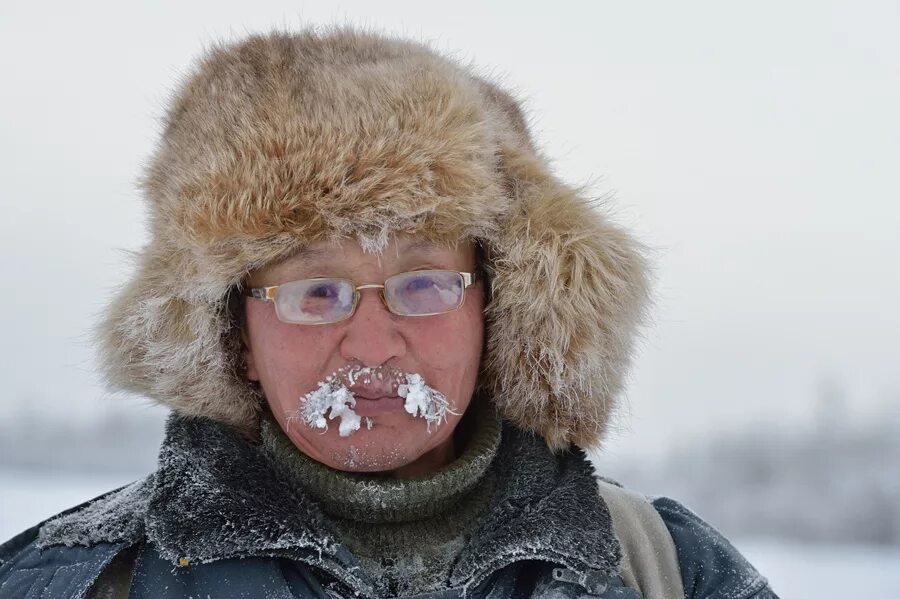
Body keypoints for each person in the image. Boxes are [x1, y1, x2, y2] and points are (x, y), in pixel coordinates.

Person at [0, 28, 779, 599]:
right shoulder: (69, 581)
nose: (371, 344)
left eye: (425, 284)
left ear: (497, 312)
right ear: (234, 336)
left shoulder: (665, 571)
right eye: (315, 293)